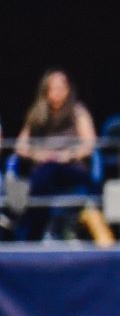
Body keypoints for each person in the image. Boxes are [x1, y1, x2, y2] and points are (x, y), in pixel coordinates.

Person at [12, 68, 97, 241]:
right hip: (44, 167)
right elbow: (20, 146)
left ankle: (31, 227)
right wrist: (38, 155)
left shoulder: (77, 112)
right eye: (53, 87)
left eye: (62, 87)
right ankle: (44, 228)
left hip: (71, 167)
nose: (58, 92)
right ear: (45, 91)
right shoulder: (37, 114)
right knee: (45, 171)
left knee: (45, 173)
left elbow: (90, 144)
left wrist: (68, 155)